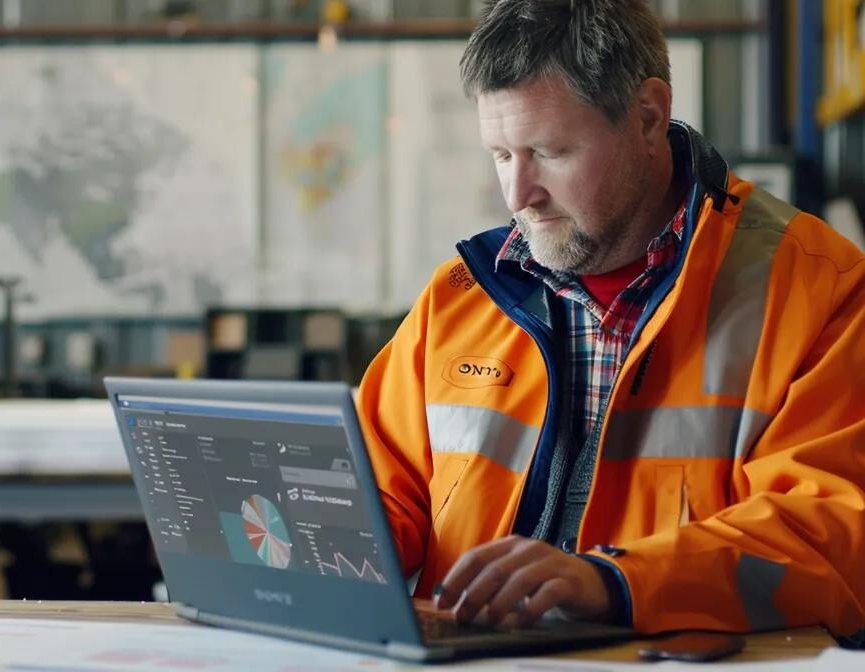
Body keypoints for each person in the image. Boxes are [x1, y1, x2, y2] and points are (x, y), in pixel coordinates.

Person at [356, 0, 865, 639]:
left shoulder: (820, 289)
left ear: (647, 115)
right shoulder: (459, 298)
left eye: (548, 151)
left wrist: (615, 583)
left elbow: (832, 537)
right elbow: (373, 497)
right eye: (502, 155)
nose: (518, 196)